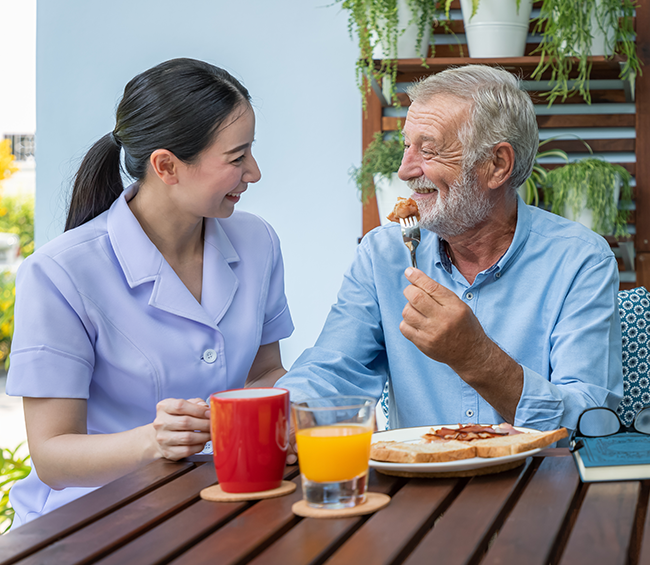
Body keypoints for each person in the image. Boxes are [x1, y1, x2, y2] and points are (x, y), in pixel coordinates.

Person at [6, 58, 294, 527]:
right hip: (91, 522)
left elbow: (263, 374)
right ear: (166, 166)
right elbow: (52, 456)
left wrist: (297, 406)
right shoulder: (58, 273)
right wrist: (153, 441)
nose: (254, 172)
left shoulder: (257, 242)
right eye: (237, 158)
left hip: (212, 504)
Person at [277, 65, 622, 434]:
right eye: (407, 146)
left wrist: (476, 357)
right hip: (417, 485)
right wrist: (282, 413)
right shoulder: (384, 254)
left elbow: (592, 420)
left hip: (535, 483)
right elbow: (333, 372)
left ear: (497, 165)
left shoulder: (580, 260)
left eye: (429, 150)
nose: (405, 170)